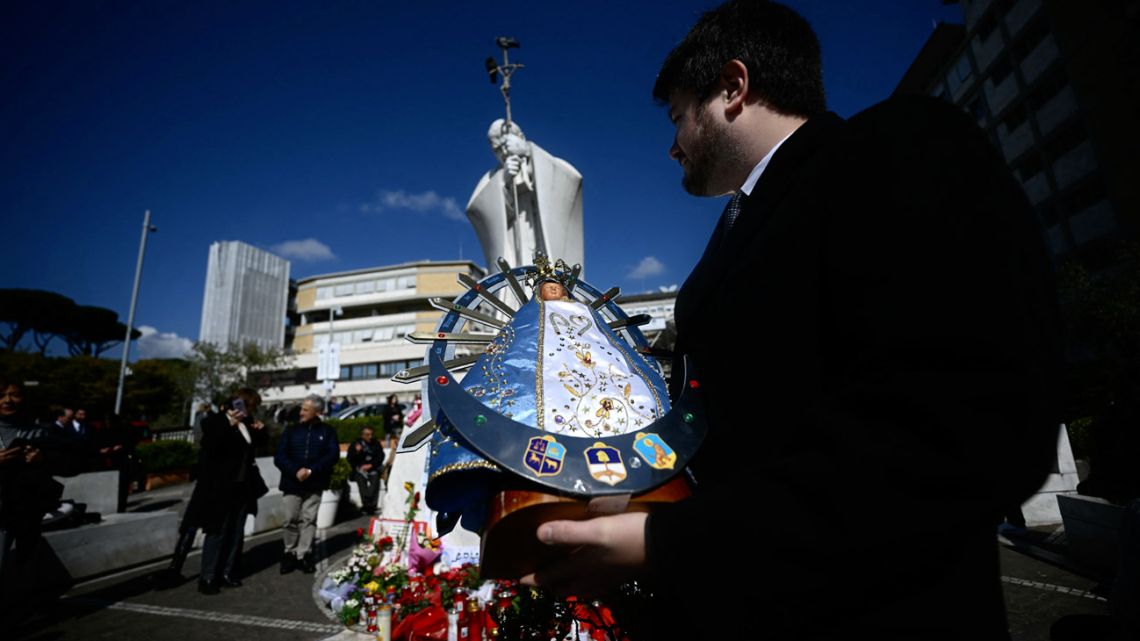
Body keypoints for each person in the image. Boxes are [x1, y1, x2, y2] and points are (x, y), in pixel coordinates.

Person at [519, 2, 1063, 639]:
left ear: (733, 87)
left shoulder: (899, 150)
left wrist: (669, 539)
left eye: (678, 118)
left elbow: (968, 429)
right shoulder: (733, 237)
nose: (671, 147)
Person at [174, 388, 268, 594]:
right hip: (219, 488)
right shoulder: (215, 421)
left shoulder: (247, 425)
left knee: (236, 532)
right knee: (217, 531)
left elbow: (260, 444)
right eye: (247, 406)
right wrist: (229, 425)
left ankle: (228, 572)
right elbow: (211, 446)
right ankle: (208, 577)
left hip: (242, 487)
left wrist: (261, 429)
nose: (249, 411)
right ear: (236, 404)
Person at [274, 394, 338, 575]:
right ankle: (289, 552)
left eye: (305, 409)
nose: (301, 412)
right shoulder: (291, 430)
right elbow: (280, 456)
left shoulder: (327, 431)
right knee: (290, 519)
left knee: (309, 520)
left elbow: (331, 455)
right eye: (302, 409)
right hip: (291, 482)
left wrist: (310, 471)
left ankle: (304, 555)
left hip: (314, 483)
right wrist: (295, 471)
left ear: (317, 412)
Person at [346, 426, 384, 515]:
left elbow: (380, 456)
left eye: (371, 434)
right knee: (361, 480)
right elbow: (350, 459)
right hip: (360, 469)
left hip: (373, 468)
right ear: (362, 435)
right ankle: (366, 505)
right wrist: (357, 452)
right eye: (367, 435)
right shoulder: (356, 444)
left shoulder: (376, 443)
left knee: (375, 480)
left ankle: (372, 505)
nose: (370, 437)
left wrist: (371, 465)